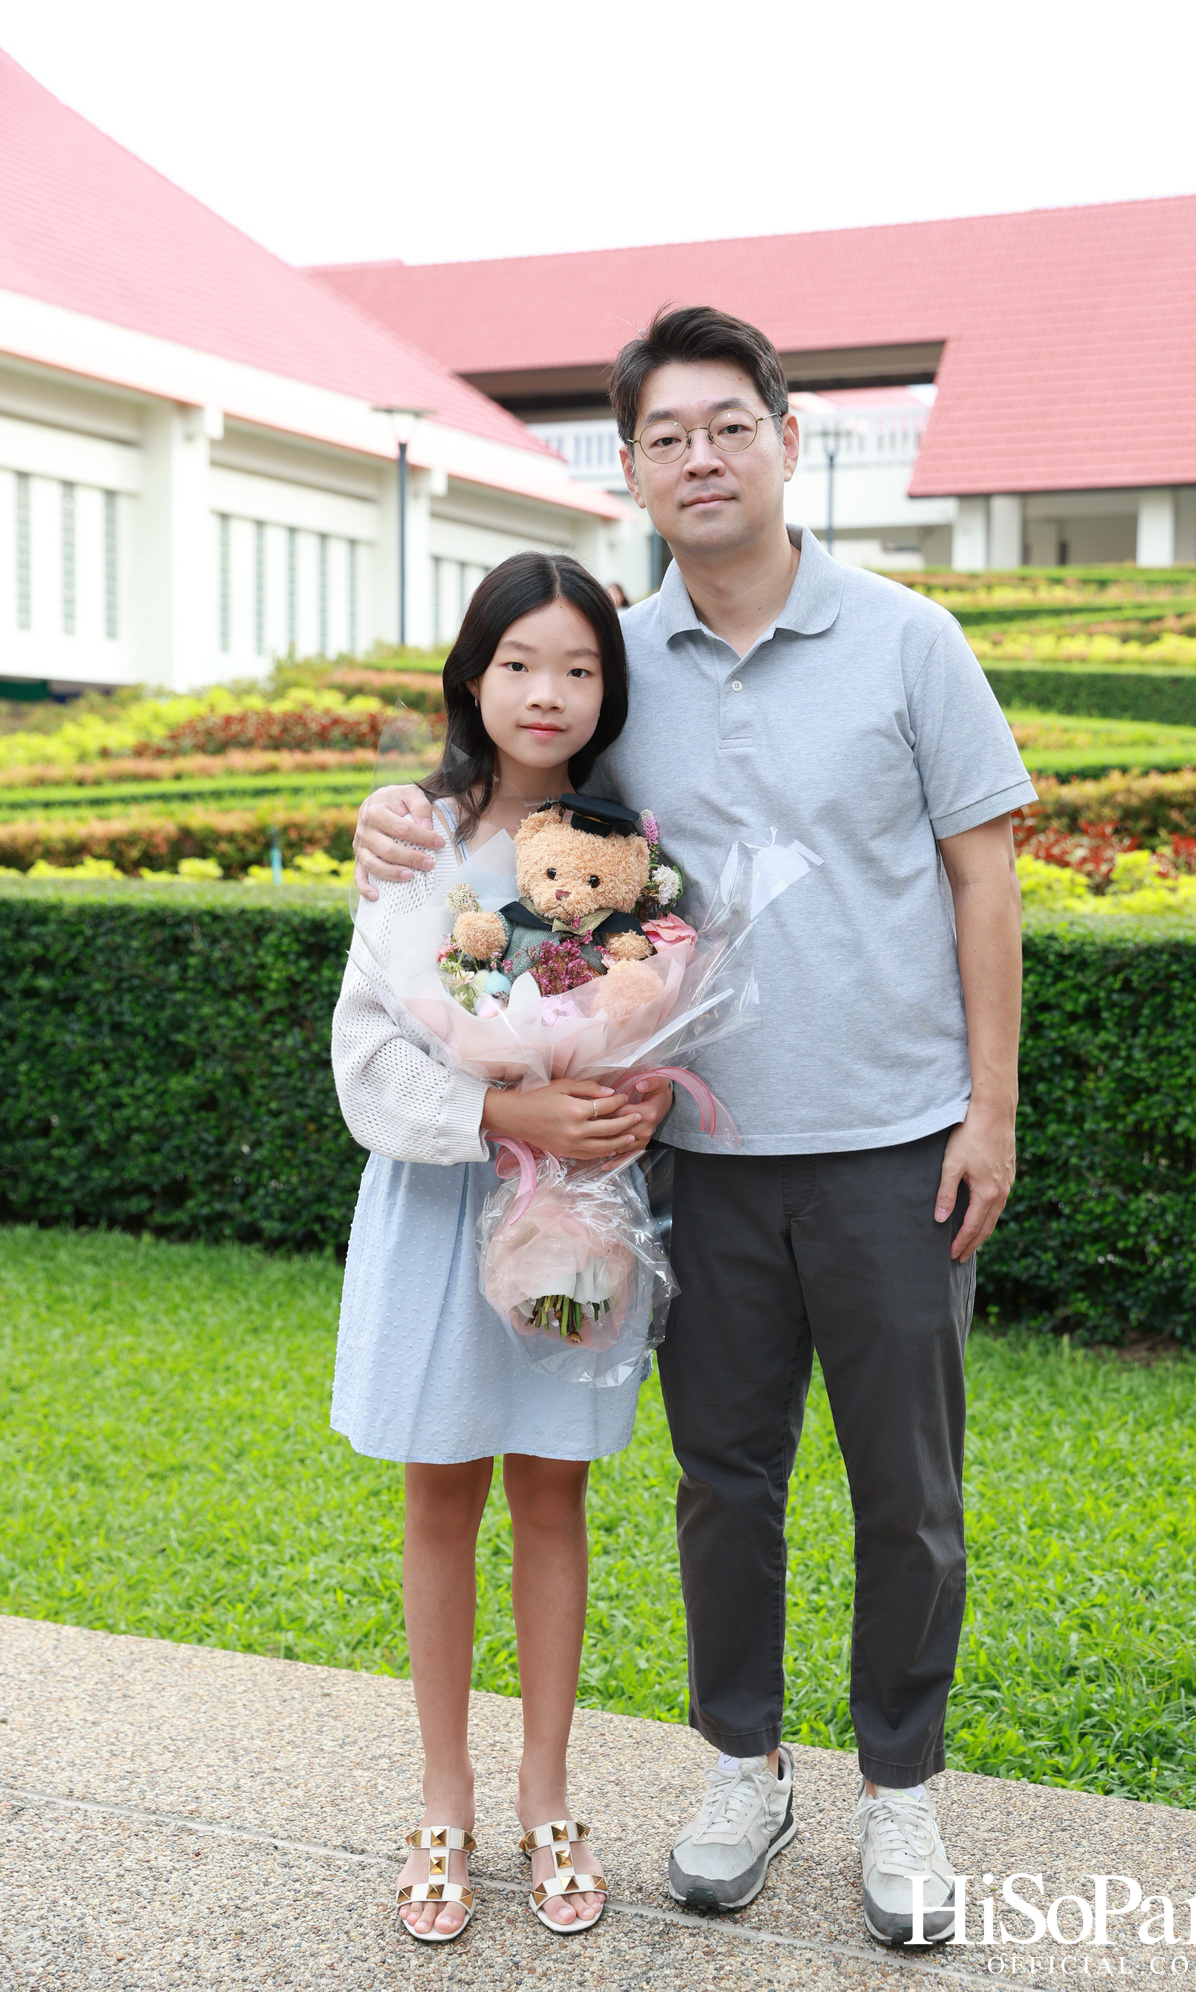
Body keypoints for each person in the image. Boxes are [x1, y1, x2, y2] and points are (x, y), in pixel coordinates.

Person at [352, 306, 1035, 1947]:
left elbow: (984, 873)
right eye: (668, 436)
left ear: (788, 440)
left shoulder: (908, 640)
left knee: (907, 1492)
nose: (703, 457)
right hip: (688, 1165)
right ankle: (745, 1765)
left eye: (730, 425)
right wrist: (395, 812)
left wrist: (992, 1111)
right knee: (723, 1483)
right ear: (635, 470)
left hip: (891, 1141)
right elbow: (505, 812)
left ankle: (901, 1797)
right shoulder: (616, 664)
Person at [331, 550, 673, 1943]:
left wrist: (627, 1093)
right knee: (438, 1501)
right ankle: (443, 1798)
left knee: (551, 1499)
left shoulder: (635, 847)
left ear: (610, 688)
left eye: (581, 666)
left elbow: (668, 1003)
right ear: (473, 676)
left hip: (575, 1222)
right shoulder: (415, 839)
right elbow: (363, 1061)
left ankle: (547, 1795)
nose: (549, 691)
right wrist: (499, 1105)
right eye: (521, 662)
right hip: (441, 1210)